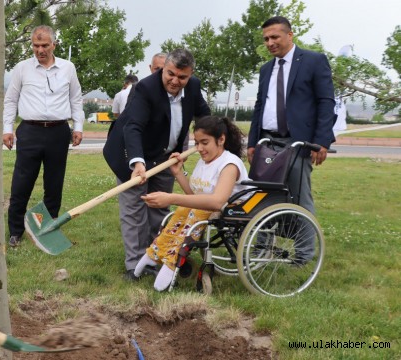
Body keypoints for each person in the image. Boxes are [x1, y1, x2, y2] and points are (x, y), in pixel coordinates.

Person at [103, 48, 211, 281]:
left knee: (159, 208)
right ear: (164, 68)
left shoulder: (193, 86)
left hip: (165, 156)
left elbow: (204, 117)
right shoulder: (145, 88)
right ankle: (134, 265)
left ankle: (154, 257)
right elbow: (133, 127)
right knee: (134, 209)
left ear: (190, 75)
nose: (175, 80)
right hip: (129, 153)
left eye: (182, 77)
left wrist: (212, 141)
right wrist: (137, 163)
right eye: (170, 74)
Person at [247, 16, 335, 262]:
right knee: (261, 194)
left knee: (298, 196)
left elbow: (326, 102)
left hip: (298, 143)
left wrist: (321, 142)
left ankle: (304, 255)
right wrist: (252, 142)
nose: (270, 43)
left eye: (274, 37)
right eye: (266, 39)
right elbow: (259, 106)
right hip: (267, 142)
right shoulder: (266, 69)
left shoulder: (314, 61)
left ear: (289, 35)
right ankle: (260, 248)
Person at [135, 116, 250, 291]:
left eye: (204, 142)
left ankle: (172, 262)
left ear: (221, 139)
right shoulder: (204, 162)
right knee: (183, 211)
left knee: (192, 213)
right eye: (196, 143)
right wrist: (178, 173)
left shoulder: (230, 164)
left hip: (233, 209)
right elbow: (193, 195)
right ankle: (155, 252)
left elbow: (217, 202)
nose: (199, 149)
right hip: (206, 207)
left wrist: (171, 197)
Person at [3, 25, 85, 247]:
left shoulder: (68, 68)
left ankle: (47, 229)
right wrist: (7, 129)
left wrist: (78, 127)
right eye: (36, 45)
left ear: (54, 45)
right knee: (22, 182)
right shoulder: (22, 69)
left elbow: (76, 99)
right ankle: (15, 231)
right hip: (30, 131)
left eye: (44, 45)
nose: (40, 50)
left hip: (59, 131)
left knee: (54, 183)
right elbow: (10, 100)